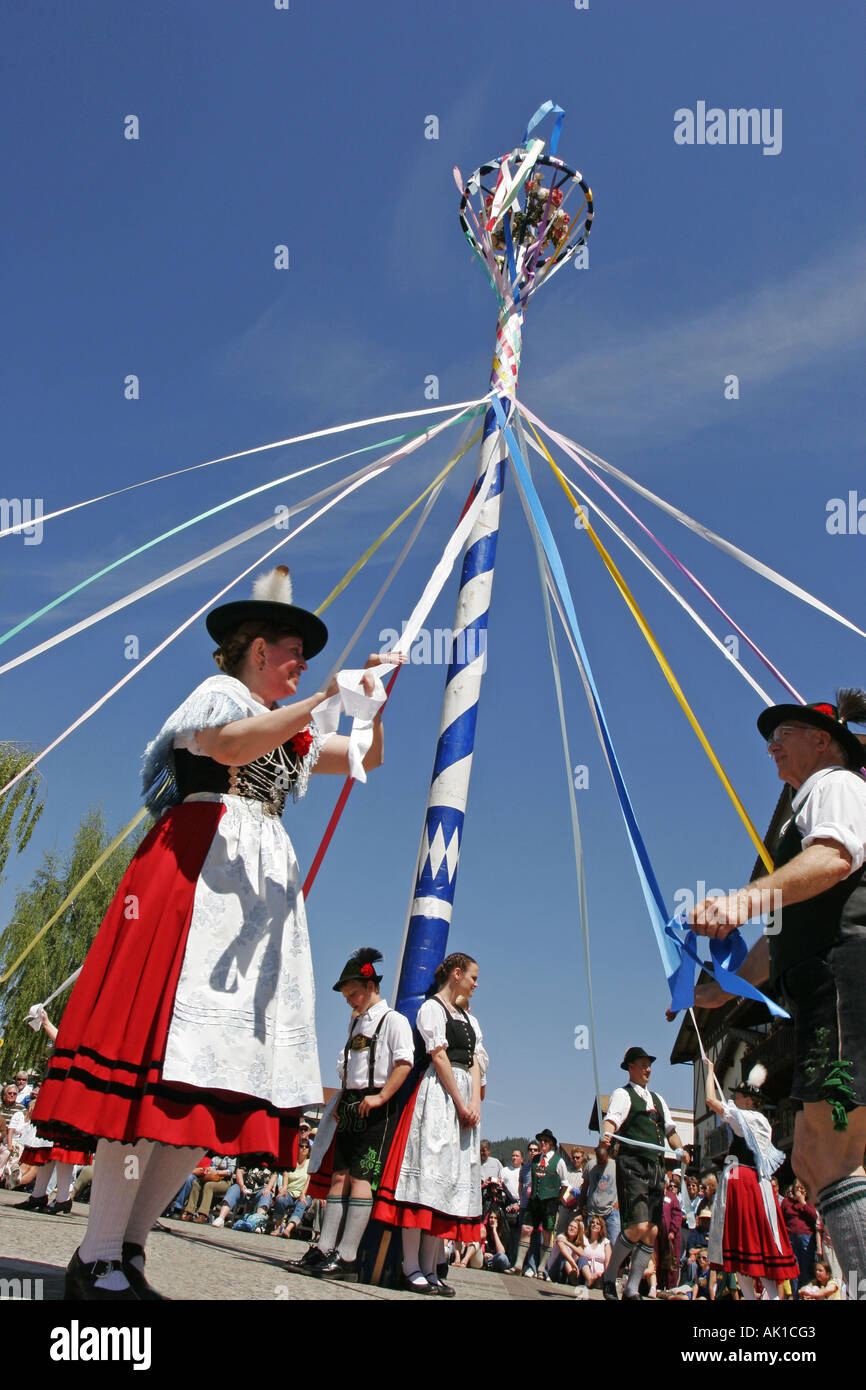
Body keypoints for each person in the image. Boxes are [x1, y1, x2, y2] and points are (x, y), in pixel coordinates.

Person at [29, 564, 398, 1299]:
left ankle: (128, 1252)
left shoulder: (289, 733)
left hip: (253, 915)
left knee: (213, 1083)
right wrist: (328, 698)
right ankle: (98, 1251)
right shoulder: (220, 698)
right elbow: (229, 748)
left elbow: (368, 757)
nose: (304, 668)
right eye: (296, 654)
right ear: (258, 650)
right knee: (153, 1073)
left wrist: (373, 705)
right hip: (190, 885)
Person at [690, 690, 866, 1288]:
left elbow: (835, 859)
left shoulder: (834, 784)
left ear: (823, 739)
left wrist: (742, 900)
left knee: (830, 1152)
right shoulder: (804, 805)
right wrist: (719, 992)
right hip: (826, 980)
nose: (770, 747)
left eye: (782, 734)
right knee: (824, 1156)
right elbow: (779, 941)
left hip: (844, 972)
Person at [292, 946, 413, 1282]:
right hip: (350, 1103)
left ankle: (347, 1257)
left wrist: (380, 1097)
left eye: (353, 993)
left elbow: (404, 1063)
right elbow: (350, 1067)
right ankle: (325, 1247)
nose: (349, 1000)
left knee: (361, 1179)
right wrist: (341, 1100)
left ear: (371, 986)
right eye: (346, 995)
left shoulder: (394, 1021)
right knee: (339, 1176)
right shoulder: (356, 1022)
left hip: (377, 1108)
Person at [373, 952, 484, 1296]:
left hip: (464, 1098)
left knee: (451, 1181)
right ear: (456, 974)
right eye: (473, 977)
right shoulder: (432, 1009)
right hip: (439, 1094)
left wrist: (475, 1103)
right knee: (427, 1178)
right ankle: (411, 1266)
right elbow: (438, 1055)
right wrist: (458, 1099)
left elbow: (478, 1062)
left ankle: (432, 1266)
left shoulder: (468, 1018)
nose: (475, 984)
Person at [703, 1060, 799, 1300]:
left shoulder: (745, 1117)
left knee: (748, 1246)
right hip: (754, 1183)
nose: (734, 1099)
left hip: (741, 1182)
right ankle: (754, 1298)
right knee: (747, 1250)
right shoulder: (760, 1121)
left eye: (739, 1096)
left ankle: (770, 1298)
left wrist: (710, 1072)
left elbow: (710, 1101)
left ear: (748, 1101)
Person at [602, 1046, 690, 1301]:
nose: (648, 1069)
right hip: (633, 1163)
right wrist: (607, 1134)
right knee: (637, 1226)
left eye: (649, 1065)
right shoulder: (623, 1094)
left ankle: (631, 1288)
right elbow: (612, 1119)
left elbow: (670, 1131)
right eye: (643, 1064)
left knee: (651, 1231)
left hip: (656, 1166)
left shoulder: (659, 1100)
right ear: (630, 1067)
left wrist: (681, 1149)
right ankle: (609, 1277)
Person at [519, 1128, 570, 1278]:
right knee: (526, 1229)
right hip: (534, 1201)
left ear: (552, 1144)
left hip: (550, 1203)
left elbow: (565, 1184)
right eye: (541, 1140)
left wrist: (557, 1198)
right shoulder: (535, 1159)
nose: (542, 1143)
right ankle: (518, 1264)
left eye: (546, 1141)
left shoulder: (558, 1161)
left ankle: (541, 1268)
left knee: (547, 1234)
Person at [780, 1178, 820, 1297]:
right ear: (792, 1188)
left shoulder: (809, 1202)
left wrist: (802, 1202)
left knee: (806, 1267)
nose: (800, 1190)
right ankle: (796, 1295)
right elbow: (781, 1219)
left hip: (806, 1238)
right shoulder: (786, 1202)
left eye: (802, 1188)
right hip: (791, 1237)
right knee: (794, 1268)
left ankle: (807, 1295)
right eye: (797, 1187)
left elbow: (813, 1217)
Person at [579, 1140, 620, 1246]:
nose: (601, 1163)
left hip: (611, 1211)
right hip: (593, 1212)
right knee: (590, 1243)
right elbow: (584, 1187)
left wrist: (617, 1205)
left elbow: (623, 1187)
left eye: (603, 1161)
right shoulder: (590, 1166)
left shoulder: (615, 1166)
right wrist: (581, 1206)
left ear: (607, 1157)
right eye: (599, 1161)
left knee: (614, 1243)